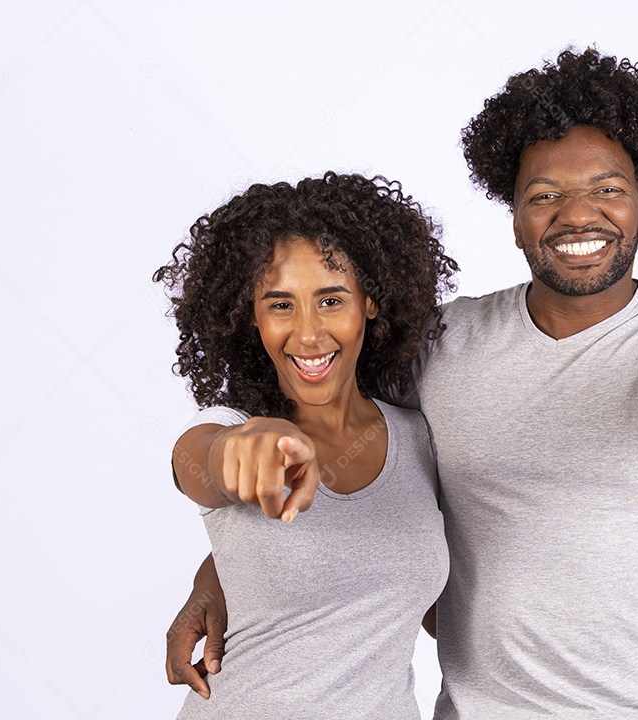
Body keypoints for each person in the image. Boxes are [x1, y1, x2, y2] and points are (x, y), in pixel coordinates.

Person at [167, 48, 638, 719]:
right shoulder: (443, 346)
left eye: (608, 190)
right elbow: (294, 420)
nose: (579, 214)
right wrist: (224, 572)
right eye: (545, 196)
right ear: (514, 219)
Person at [154, 172, 459, 718]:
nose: (309, 333)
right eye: (280, 304)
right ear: (251, 314)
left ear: (370, 301)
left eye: (330, 299)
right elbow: (199, 464)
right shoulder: (233, 427)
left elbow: (434, 612)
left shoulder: (418, 439)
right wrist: (243, 450)